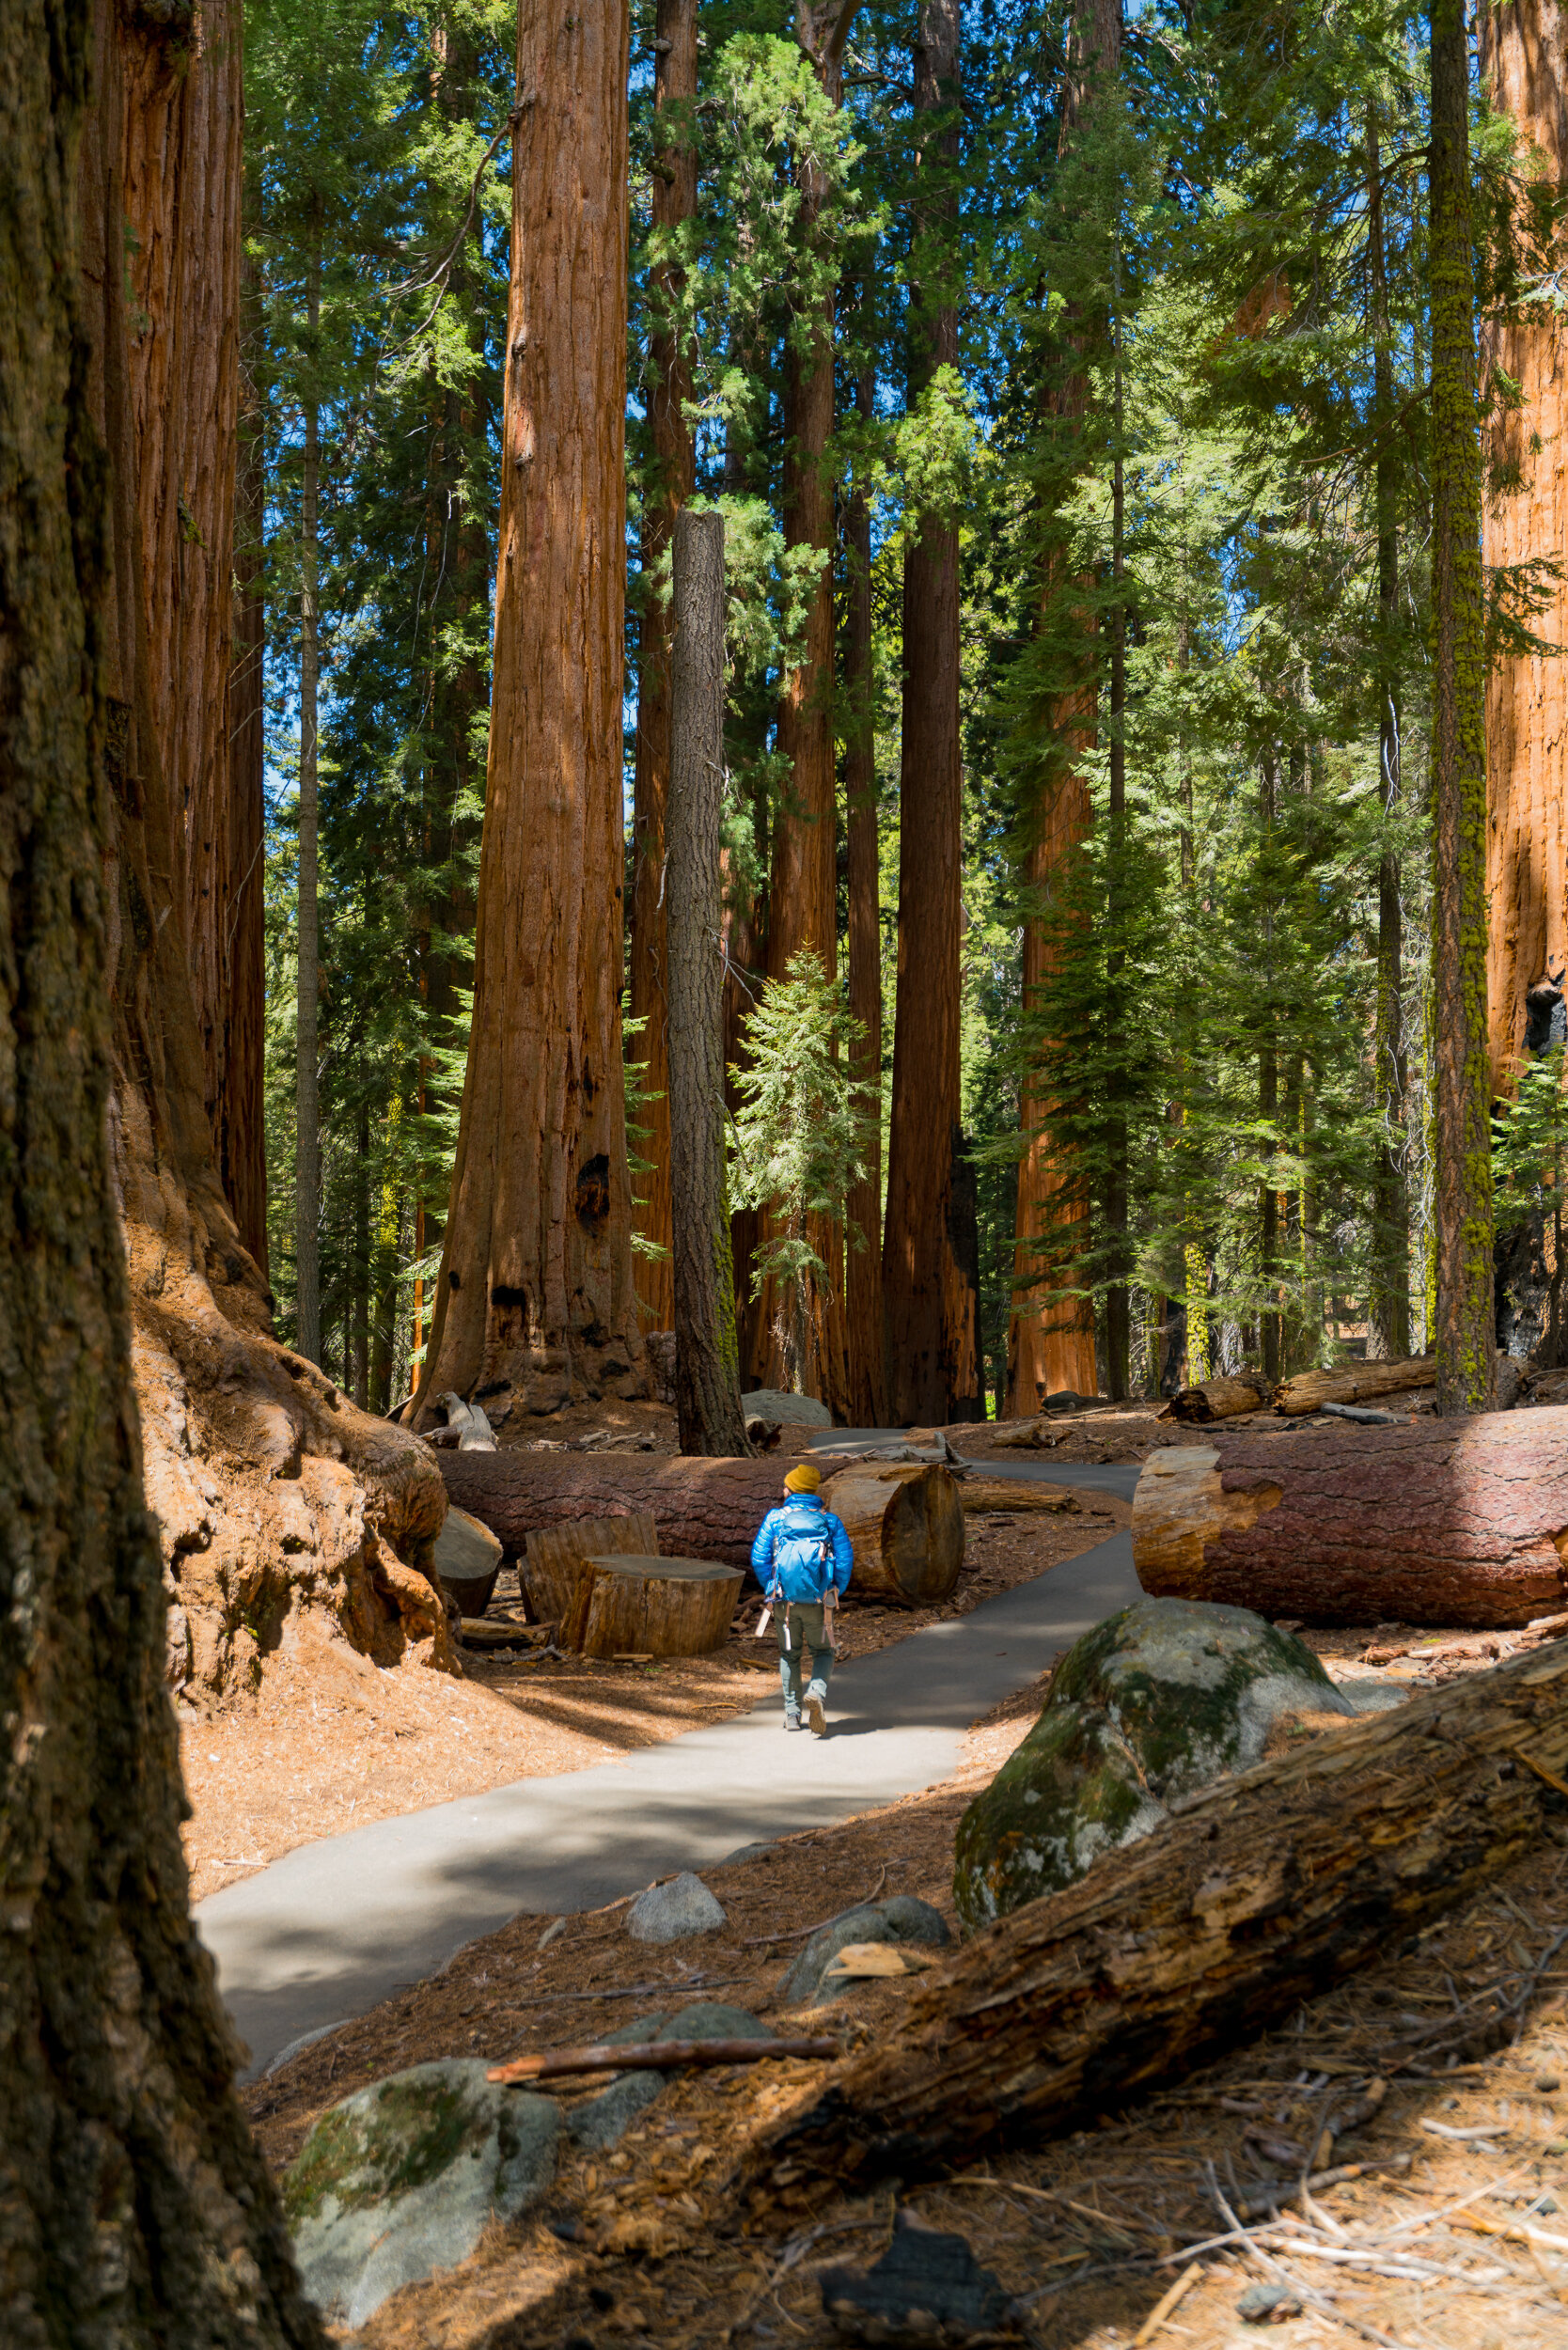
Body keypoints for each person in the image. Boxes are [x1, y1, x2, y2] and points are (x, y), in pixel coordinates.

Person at [750, 1461, 854, 1736]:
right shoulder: (829, 1521)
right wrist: (833, 1591)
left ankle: (792, 1714)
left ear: (789, 1491)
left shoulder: (775, 1519)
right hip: (819, 1605)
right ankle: (816, 1692)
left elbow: (759, 1558)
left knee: (789, 1654)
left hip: (784, 1603)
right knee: (822, 1652)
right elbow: (844, 1561)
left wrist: (772, 1587)